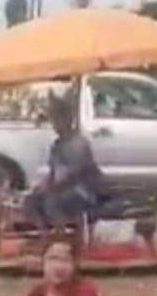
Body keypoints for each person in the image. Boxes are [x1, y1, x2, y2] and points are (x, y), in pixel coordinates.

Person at [26, 92, 108, 227]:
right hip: (63, 188)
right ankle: (44, 235)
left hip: (84, 190)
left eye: (56, 120)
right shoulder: (57, 145)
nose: (54, 125)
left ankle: (64, 236)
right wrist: (40, 186)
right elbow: (54, 173)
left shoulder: (78, 143)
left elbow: (71, 176)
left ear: (67, 120)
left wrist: (49, 188)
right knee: (31, 201)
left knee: (53, 201)